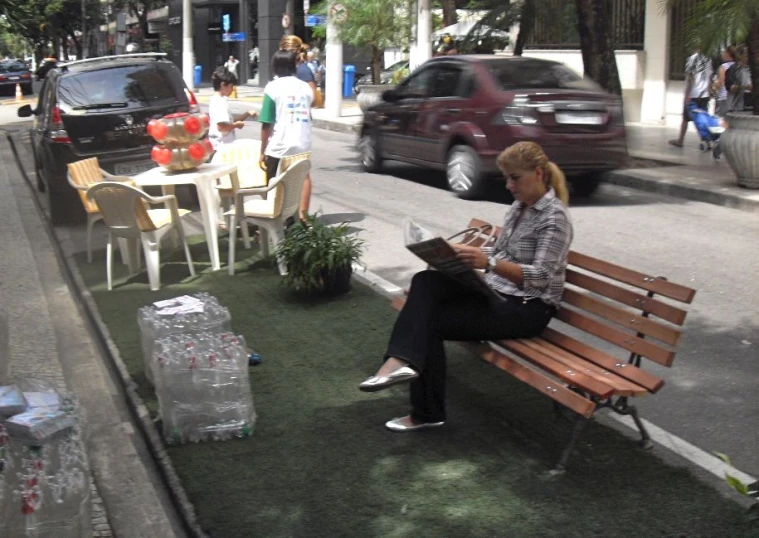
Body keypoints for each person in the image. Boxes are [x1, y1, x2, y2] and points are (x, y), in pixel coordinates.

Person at [359, 141, 573, 432]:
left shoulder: (554, 218)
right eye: (506, 177)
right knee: (425, 282)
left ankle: (421, 403)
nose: (509, 185)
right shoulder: (518, 208)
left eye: (515, 177)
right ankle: (402, 366)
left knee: (427, 318)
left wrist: (489, 263)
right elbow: (501, 253)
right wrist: (453, 255)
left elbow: (540, 277)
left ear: (537, 173)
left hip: (528, 310)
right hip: (498, 294)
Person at [258, 50, 314, 219]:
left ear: (275, 67)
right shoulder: (305, 87)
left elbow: (266, 123)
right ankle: (303, 218)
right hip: (303, 143)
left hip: (280, 146)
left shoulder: (272, 87)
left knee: (274, 184)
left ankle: (274, 219)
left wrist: (262, 150)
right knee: (303, 177)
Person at [276, 36, 317, 218]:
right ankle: (293, 215)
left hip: (297, 128)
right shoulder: (291, 69)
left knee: (302, 174)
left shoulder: (303, 70)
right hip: (290, 127)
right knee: (291, 174)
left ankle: (302, 216)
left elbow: (314, 99)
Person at [669, 48, 713, 148]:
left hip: (694, 94)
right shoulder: (708, 59)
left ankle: (680, 140)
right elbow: (710, 77)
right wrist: (709, 92)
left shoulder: (692, 59)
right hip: (704, 94)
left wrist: (688, 94)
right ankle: (706, 141)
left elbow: (691, 78)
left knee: (685, 117)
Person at [208, 67, 257, 150]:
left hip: (219, 145)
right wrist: (236, 125)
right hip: (221, 146)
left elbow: (228, 121)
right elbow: (221, 127)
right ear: (223, 85)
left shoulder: (216, 99)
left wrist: (247, 114)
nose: (232, 90)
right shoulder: (219, 102)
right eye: (231, 86)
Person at [727, 45, 753, 113]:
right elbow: (731, 88)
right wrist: (745, 87)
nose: (749, 56)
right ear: (740, 55)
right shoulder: (733, 69)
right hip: (737, 106)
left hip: (752, 105)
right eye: (746, 54)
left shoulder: (754, 69)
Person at [714, 46, 737, 117]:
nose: (722, 54)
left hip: (723, 96)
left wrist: (714, 87)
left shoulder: (723, 67)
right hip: (734, 97)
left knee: (720, 119)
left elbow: (720, 82)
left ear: (727, 53)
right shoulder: (736, 66)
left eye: (723, 52)